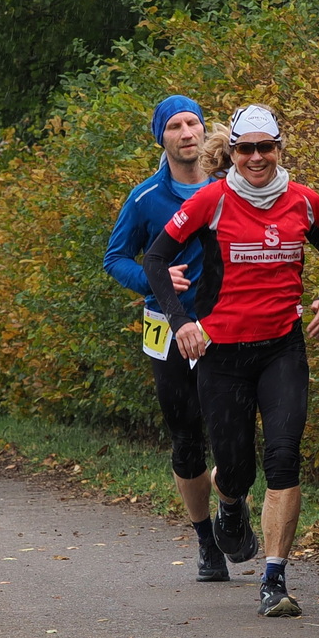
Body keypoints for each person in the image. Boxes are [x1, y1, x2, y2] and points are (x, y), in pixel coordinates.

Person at [141, 103, 319, 619]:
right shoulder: (211, 200)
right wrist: (181, 323)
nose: (257, 157)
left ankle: (274, 580)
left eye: (266, 147)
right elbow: (155, 258)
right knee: (235, 470)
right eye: (246, 148)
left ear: (280, 148)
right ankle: (230, 505)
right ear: (232, 151)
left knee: (284, 456)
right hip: (222, 354)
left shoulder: (305, 202)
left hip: (282, 348)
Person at [105, 94, 227, 581]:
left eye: (193, 123)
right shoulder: (145, 198)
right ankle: (206, 542)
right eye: (174, 126)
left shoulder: (229, 187)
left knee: (232, 434)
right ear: (162, 138)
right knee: (187, 439)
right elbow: (115, 258)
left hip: (223, 327)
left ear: (204, 130)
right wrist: (153, 280)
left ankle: (231, 509)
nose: (186, 133)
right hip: (168, 331)